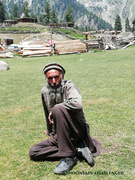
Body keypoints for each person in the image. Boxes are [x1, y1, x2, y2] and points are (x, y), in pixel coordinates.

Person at [29, 63, 101, 175]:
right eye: (50, 78)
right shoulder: (45, 91)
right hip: (59, 134)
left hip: (76, 129)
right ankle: (78, 150)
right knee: (34, 152)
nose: (53, 81)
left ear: (62, 76)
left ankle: (68, 157)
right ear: (46, 79)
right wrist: (49, 131)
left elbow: (77, 104)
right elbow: (46, 113)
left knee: (58, 109)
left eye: (56, 77)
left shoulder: (69, 86)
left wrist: (54, 110)